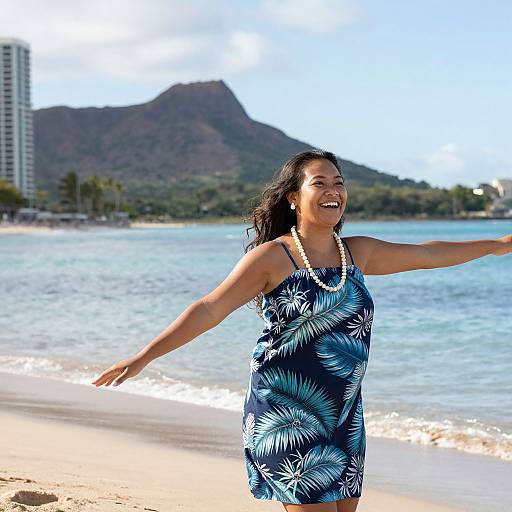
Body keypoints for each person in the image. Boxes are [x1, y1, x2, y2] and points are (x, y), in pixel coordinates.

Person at [91, 149, 511, 512]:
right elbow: (209, 308)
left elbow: (428, 253)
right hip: (286, 411)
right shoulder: (272, 258)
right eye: (319, 183)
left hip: (343, 413)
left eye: (339, 182)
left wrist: (497, 245)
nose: (333, 190)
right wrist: (144, 356)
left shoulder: (357, 253)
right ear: (294, 197)